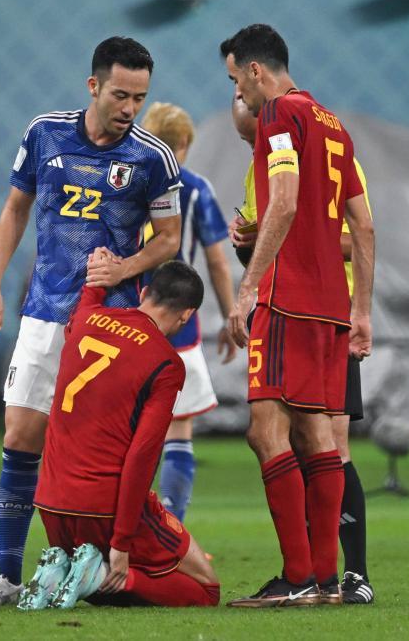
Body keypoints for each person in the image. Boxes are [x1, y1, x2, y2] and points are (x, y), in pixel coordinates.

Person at [0, 36, 183, 605]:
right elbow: (15, 208)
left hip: (110, 324)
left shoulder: (153, 157)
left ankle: (97, 565)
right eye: (120, 95)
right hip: (45, 309)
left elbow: (169, 239)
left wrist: (125, 267)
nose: (130, 108)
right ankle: (8, 576)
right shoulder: (44, 133)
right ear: (93, 86)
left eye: (139, 98)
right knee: (20, 437)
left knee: (97, 452)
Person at [219, 24, 375, 607]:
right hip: (331, 305)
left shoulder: (280, 114)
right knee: (316, 434)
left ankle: (298, 576)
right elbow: (364, 226)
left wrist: (247, 289)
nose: (238, 91)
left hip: (288, 297)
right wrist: (361, 311)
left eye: (235, 79)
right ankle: (326, 579)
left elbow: (282, 202)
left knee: (265, 431)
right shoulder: (332, 123)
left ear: (255, 70)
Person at [18, 257, 220, 610]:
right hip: (103, 509)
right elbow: (142, 457)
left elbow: (90, 292)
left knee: (104, 565)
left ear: (144, 292)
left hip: (51, 506)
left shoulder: (86, 319)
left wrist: (100, 267)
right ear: (187, 315)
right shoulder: (166, 363)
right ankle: (101, 578)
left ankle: (62, 568)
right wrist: (122, 543)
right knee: (206, 588)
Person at [139, 102, 237, 523]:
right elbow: (217, 261)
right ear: (184, 143)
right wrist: (231, 316)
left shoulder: (128, 183)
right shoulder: (195, 189)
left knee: (129, 433)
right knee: (178, 429)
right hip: (179, 328)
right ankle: (172, 529)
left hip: (129, 323)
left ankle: (125, 529)